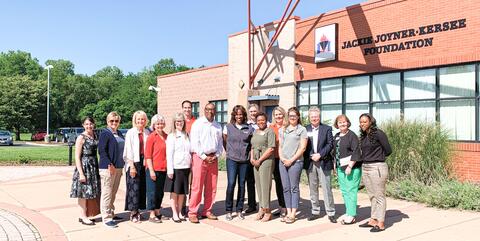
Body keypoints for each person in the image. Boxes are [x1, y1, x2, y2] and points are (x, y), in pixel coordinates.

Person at [188, 103, 224, 223]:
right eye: (208, 109)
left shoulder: (217, 126)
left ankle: (207, 210)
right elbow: (195, 143)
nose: (210, 111)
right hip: (199, 157)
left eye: (213, 110)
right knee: (197, 186)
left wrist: (217, 155)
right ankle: (193, 212)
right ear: (204, 110)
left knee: (212, 187)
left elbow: (220, 144)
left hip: (213, 158)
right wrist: (204, 157)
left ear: (215, 111)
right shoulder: (198, 124)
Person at [357, 113, 392, 232]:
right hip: (366, 167)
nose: (362, 124)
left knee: (379, 196)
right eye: (361, 122)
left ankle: (381, 222)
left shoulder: (378, 133)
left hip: (377, 167)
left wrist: (377, 157)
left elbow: (388, 150)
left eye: (365, 122)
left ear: (371, 122)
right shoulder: (363, 135)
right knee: (372, 196)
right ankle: (373, 220)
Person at [304, 107, 336, 223]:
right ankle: (315, 211)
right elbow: (303, 145)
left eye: (316, 116)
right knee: (313, 189)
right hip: (310, 162)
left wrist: (320, 155)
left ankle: (331, 212)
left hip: (323, 162)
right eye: (312, 117)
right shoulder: (305, 129)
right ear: (309, 117)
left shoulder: (326, 128)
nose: (314, 119)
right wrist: (311, 155)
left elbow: (330, 144)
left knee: (327, 188)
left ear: (319, 117)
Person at [223, 105, 254, 221]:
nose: (239, 116)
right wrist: (230, 152)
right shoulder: (228, 127)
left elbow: (251, 144)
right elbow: (224, 141)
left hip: (244, 161)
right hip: (232, 160)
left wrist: (249, 156)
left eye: (241, 114)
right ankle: (228, 210)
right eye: (237, 114)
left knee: (242, 184)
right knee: (231, 183)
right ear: (234, 115)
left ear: (244, 115)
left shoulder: (249, 128)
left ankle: (239, 209)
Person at [278, 107, 308, 224]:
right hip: (283, 162)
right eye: (290, 115)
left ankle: (293, 214)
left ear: (298, 117)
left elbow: (303, 148)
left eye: (294, 116)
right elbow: (280, 146)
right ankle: (288, 211)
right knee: (285, 188)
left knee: (294, 188)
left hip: (296, 162)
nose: (292, 118)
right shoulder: (283, 129)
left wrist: (291, 160)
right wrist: (282, 158)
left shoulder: (302, 130)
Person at [70, 117, 101, 226]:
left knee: (90, 191)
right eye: (87, 124)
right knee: (83, 192)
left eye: (91, 124)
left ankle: (86, 214)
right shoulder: (81, 138)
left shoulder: (95, 135)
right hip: (84, 166)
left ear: (94, 124)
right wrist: (81, 173)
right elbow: (77, 157)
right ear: (83, 125)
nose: (89, 126)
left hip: (93, 165)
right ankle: (83, 216)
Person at [332, 114, 361, 225]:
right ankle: (348, 212)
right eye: (340, 122)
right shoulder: (337, 136)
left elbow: (356, 151)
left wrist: (350, 166)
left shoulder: (352, 135)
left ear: (348, 123)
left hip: (351, 168)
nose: (342, 124)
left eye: (344, 122)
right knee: (344, 191)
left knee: (351, 191)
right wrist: (335, 164)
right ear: (337, 124)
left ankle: (352, 215)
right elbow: (335, 152)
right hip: (340, 168)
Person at [98, 112, 125, 228]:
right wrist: (110, 164)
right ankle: (106, 217)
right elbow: (102, 151)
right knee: (107, 192)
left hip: (118, 167)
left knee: (113, 192)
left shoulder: (119, 133)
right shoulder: (105, 133)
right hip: (108, 168)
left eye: (116, 121)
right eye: (111, 121)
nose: (114, 123)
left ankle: (111, 212)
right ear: (107, 122)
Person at [123, 111, 151, 223]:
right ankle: (133, 213)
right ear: (135, 120)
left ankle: (139, 210)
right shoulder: (131, 132)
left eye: (143, 119)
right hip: (133, 163)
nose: (141, 121)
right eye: (138, 119)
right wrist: (132, 166)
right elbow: (128, 150)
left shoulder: (147, 132)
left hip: (144, 162)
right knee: (133, 188)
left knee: (142, 188)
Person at [165, 113, 192, 223]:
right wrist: (170, 170)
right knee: (174, 192)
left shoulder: (187, 135)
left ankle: (180, 212)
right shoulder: (172, 136)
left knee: (182, 193)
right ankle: (174, 213)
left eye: (181, 121)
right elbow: (169, 154)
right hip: (176, 167)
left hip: (186, 167)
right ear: (174, 123)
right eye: (177, 121)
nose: (179, 123)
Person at [250, 112, 276, 222]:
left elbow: (271, 148)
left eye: (263, 120)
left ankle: (268, 211)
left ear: (266, 120)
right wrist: (252, 158)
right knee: (259, 186)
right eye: (258, 120)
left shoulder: (269, 131)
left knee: (265, 186)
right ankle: (261, 208)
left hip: (265, 161)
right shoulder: (255, 131)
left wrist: (260, 160)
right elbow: (252, 146)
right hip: (255, 161)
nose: (261, 122)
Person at [144, 114, 168, 223]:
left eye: (161, 123)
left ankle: (158, 211)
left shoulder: (167, 136)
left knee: (160, 192)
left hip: (163, 169)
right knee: (152, 192)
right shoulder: (151, 137)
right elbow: (148, 156)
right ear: (154, 125)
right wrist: (151, 170)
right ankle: (152, 214)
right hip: (153, 169)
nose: (160, 125)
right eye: (158, 123)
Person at [269, 107, 287, 218]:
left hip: (285, 159)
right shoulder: (271, 128)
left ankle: (287, 207)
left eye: (280, 114)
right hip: (274, 158)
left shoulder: (288, 127)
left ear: (283, 115)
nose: (278, 116)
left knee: (285, 184)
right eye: (276, 115)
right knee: (278, 184)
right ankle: (281, 207)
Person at [244, 103, 259, 213]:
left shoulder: (264, 123)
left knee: (262, 181)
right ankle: (252, 205)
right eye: (251, 111)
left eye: (255, 111)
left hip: (262, 155)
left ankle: (264, 205)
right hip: (249, 156)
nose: (253, 113)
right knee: (250, 181)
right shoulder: (246, 125)